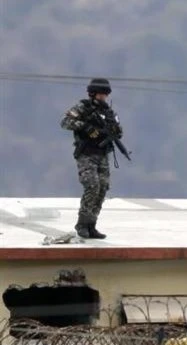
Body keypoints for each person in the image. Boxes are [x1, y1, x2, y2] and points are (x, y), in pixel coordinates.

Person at [59, 77, 125, 239]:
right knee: (92, 186)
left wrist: (114, 131)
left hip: (102, 154)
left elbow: (119, 131)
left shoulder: (109, 113)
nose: (103, 97)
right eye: (101, 94)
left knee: (102, 188)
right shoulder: (83, 108)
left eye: (105, 94)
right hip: (86, 154)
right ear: (93, 93)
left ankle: (91, 224)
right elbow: (65, 122)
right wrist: (86, 126)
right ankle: (82, 224)